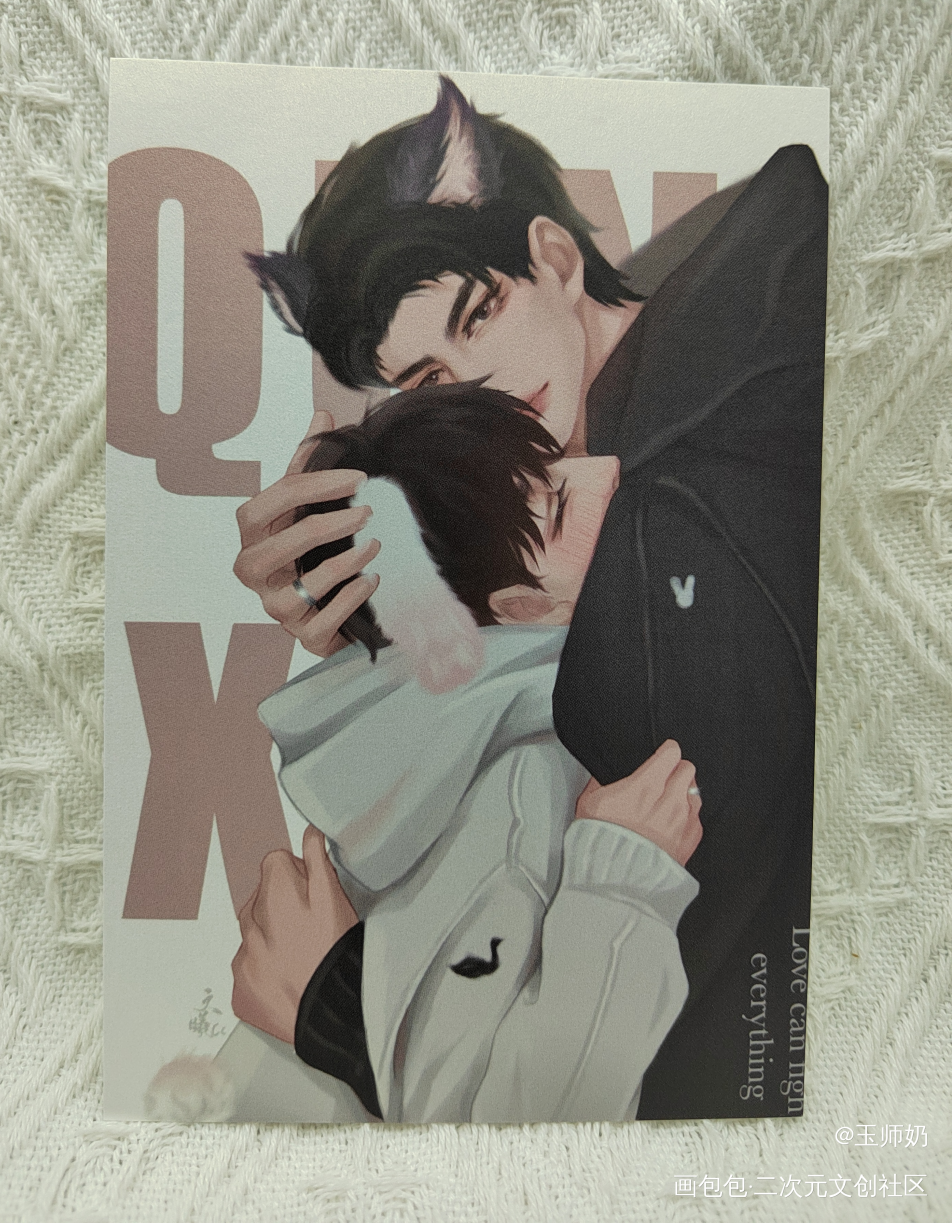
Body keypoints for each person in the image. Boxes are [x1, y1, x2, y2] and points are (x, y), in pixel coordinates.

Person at [235, 77, 827, 1118]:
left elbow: (653, 1062)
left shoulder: (663, 524)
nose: (485, 385)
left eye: (480, 314)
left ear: (553, 256)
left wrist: (344, 1013)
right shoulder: (679, 310)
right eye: (427, 382)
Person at [219, 384, 702, 1123]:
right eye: (560, 507)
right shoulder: (523, 782)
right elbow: (503, 1121)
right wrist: (623, 877)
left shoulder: (452, 730)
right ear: (519, 608)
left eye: (564, 462)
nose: (606, 469)